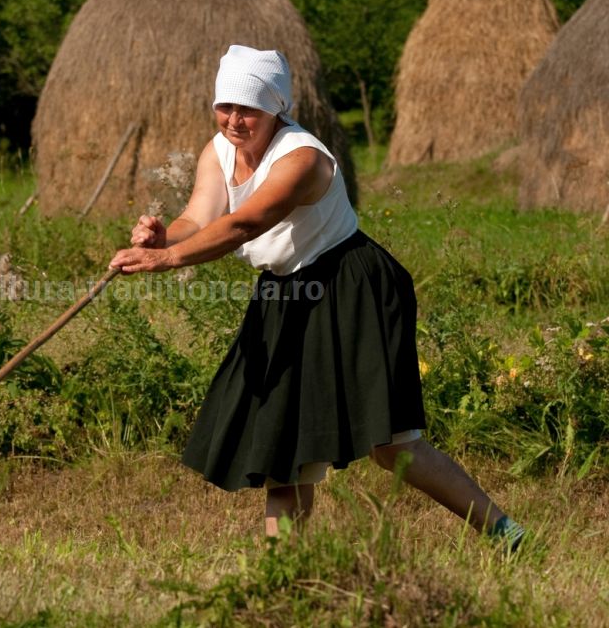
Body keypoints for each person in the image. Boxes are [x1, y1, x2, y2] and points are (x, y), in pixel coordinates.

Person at [109, 45, 525, 548]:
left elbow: (245, 223)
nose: (234, 120)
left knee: (394, 447)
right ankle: (284, 568)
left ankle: (506, 534)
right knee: (282, 448)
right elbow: (199, 217)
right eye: (225, 106)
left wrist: (171, 260)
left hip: (353, 287)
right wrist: (164, 240)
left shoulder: (302, 158)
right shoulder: (218, 150)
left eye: (248, 109)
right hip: (287, 291)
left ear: (275, 107)